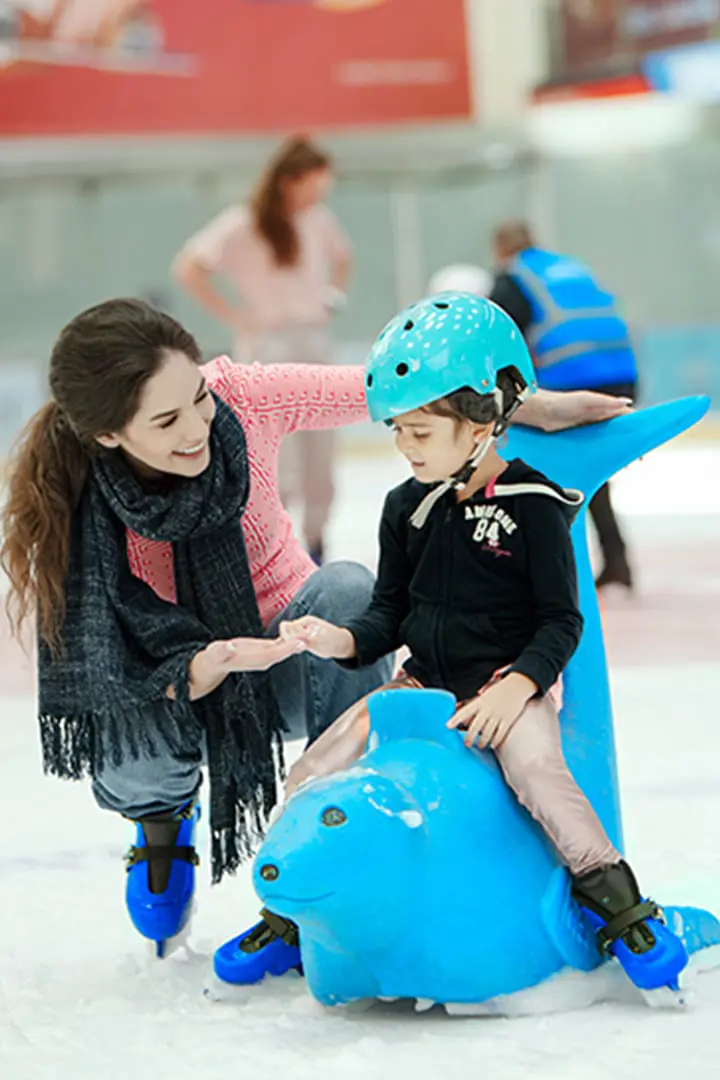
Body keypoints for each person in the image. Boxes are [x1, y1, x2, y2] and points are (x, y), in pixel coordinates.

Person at [0, 297, 632, 958]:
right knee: (123, 728)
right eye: (166, 420)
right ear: (108, 434)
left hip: (284, 661)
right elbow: (108, 666)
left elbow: (393, 384)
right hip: (179, 682)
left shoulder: (242, 400)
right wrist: (202, 664)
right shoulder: (78, 499)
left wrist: (530, 405)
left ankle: (341, 823)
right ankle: (161, 822)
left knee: (347, 588)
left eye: (197, 398)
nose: (196, 426)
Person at [217, 295, 685, 992]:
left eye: (422, 432)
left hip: (507, 681)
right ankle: (292, 918)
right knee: (313, 768)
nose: (406, 449)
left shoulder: (536, 505)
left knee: (539, 775)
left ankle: (613, 902)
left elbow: (561, 623)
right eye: (400, 431)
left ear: (485, 420)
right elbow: (388, 617)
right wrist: (339, 638)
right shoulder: (404, 507)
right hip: (422, 684)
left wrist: (519, 687)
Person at [172, 135, 352, 566]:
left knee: (321, 450)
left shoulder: (318, 219)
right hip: (269, 344)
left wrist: (331, 296)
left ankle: (317, 542)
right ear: (292, 180)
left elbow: (344, 257)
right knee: (277, 453)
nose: (323, 191)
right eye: (316, 181)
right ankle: (274, 551)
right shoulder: (244, 223)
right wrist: (234, 316)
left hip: (312, 336)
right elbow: (189, 266)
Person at [489, 220, 638, 592]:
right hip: (623, 371)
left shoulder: (514, 277)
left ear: (501, 249)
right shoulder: (569, 268)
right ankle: (614, 559)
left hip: (573, 378)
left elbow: (496, 336)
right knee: (590, 477)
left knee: (543, 476)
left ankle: (551, 575)